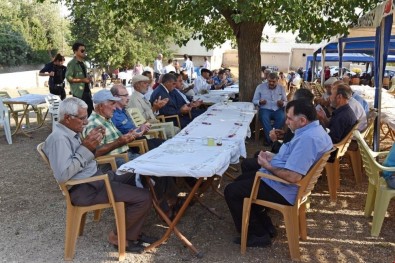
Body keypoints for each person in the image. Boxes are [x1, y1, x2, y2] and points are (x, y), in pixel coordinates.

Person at [42, 97, 153, 254]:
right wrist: (86, 147)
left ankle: (131, 232)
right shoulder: (59, 139)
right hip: (86, 189)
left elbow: (83, 157)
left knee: (140, 173)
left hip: (96, 178)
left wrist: (92, 145)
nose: (86, 122)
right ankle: (117, 237)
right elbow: (63, 175)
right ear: (67, 118)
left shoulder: (71, 131)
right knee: (143, 197)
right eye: (82, 118)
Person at [225, 99, 333, 248]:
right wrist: (274, 157)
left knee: (231, 191)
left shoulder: (308, 139)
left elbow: (293, 176)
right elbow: (295, 159)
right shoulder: (314, 129)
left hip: (285, 188)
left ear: (302, 120)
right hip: (284, 183)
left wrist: (268, 166)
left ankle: (257, 235)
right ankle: (266, 227)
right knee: (242, 180)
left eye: (289, 118)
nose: (286, 122)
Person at [241, 88, 315, 178]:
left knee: (247, 164)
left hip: (282, 174)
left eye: (289, 118)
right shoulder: (312, 124)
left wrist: (274, 141)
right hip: (285, 165)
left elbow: (291, 170)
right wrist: (284, 134)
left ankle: (252, 179)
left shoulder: (303, 131)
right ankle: (251, 177)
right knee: (258, 155)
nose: (287, 122)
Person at [82, 90, 142, 168]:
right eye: (112, 104)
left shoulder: (105, 118)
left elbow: (116, 141)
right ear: (101, 106)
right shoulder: (94, 124)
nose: (114, 108)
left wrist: (128, 136)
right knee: (148, 166)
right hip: (113, 161)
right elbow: (95, 152)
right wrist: (118, 142)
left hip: (125, 155)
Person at [110, 84, 164, 150]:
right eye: (125, 95)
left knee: (166, 143)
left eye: (128, 95)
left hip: (140, 140)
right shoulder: (112, 115)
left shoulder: (124, 111)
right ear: (116, 97)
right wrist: (137, 132)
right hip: (134, 145)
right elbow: (118, 138)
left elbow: (133, 130)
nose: (128, 98)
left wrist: (141, 129)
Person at [252, 72, 287, 146]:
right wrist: (259, 102)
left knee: (282, 117)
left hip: (277, 109)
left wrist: (282, 103)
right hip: (265, 109)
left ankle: (269, 139)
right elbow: (254, 100)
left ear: (277, 80)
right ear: (267, 80)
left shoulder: (281, 88)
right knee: (264, 117)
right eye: (269, 81)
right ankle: (272, 139)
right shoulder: (260, 87)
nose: (271, 83)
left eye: (273, 81)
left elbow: (286, 101)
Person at [66, 42, 94, 116]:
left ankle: (89, 127)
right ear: (75, 51)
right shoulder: (71, 64)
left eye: (85, 50)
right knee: (83, 114)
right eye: (82, 51)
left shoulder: (83, 63)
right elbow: (69, 78)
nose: (84, 52)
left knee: (90, 111)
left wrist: (88, 79)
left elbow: (83, 77)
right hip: (79, 94)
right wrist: (83, 80)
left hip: (87, 91)